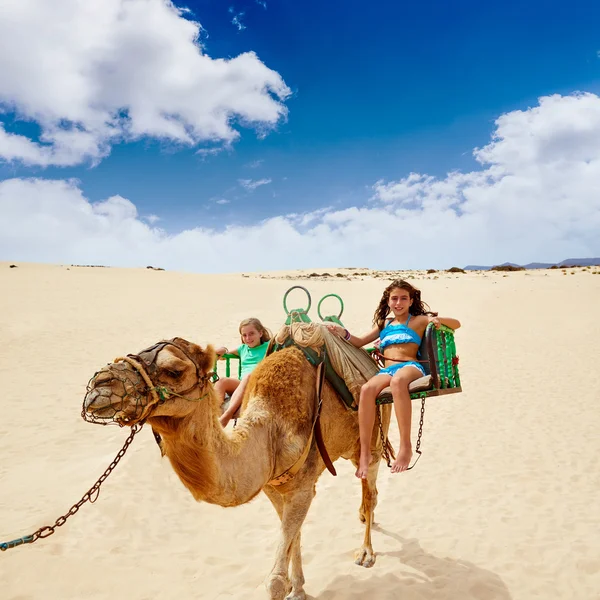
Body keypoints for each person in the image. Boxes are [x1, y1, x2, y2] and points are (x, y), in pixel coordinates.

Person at [326, 279, 460, 479]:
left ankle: (405, 447)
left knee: (398, 381)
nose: (398, 303)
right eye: (394, 298)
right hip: (387, 371)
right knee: (366, 390)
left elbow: (457, 324)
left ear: (411, 300)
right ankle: (364, 453)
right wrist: (342, 333)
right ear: (388, 302)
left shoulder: (419, 320)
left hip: (410, 367)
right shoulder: (384, 324)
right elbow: (360, 341)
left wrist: (436, 321)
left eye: (403, 298)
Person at [214, 317, 272, 427]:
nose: (248, 338)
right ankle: (214, 417)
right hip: (243, 386)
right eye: (244, 335)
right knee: (222, 381)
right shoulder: (243, 348)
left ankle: (227, 415)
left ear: (260, 333)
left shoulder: (269, 346)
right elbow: (222, 356)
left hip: (259, 385)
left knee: (249, 376)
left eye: (251, 334)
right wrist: (223, 349)